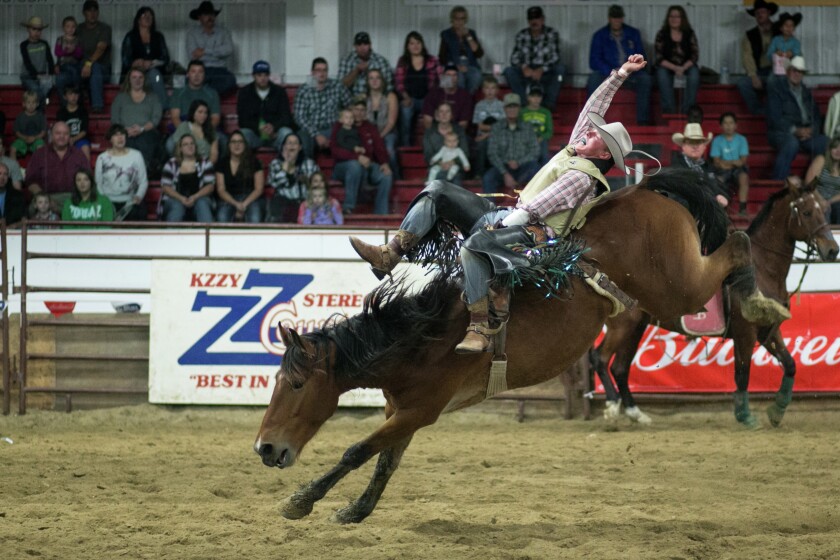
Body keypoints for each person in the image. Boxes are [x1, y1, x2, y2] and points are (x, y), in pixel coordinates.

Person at [351, 55, 651, 353]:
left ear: (602, 155)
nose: (589, 130)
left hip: (532, 234)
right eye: (593, 129)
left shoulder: (585, 177)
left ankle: (480, 325)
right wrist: (621, 72)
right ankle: (391, 254)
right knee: (438, 188)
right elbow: (592, 109)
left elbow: (544, 204)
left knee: (475, 246)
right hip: (511, 217)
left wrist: (507, 222)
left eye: (597, 134)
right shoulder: (577, 150)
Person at [587, 4, 651, 125]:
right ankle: (591, 121)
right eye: (614, 17)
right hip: (608, 74)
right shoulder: (599, 35)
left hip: (630, 73)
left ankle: (643, 120)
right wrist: (612, 71)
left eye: (619, 17)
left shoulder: (633, 33)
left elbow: (641, 56)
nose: (616, 20)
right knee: (593, 78)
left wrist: (630, 68)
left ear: (622, 18)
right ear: (609, 18)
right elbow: (594, 61)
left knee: (645, 79)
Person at [766, 56, 828, 180]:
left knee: (827, 143)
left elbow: (816, 116)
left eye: (800, 72)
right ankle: (778, 184)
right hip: (782, 132)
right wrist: (795, 130)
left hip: (806, 134)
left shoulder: (806, 92)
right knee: (791, 143)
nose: (797, 74)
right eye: (794, 70)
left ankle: (817, 182)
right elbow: (775, 118)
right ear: (788, 71)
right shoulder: (777, 89)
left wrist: (811, 130)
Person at [330, 99, 393, 215]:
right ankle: (348, 207)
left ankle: (381, 214)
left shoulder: (369, 127)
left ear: (366, 112)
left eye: (362, 110)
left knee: (386, 175)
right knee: (355, 166)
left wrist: (384, 163)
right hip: (343, 166)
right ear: (351, 110)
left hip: (368, 164)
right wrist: (356, 157)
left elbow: (379, 147)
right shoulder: (340, 126)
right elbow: (334, 150)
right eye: (356, 109)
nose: (359, 113)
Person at [503, 6, 565, 111]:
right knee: (509, 71)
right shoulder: (521, 35)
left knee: (560, 71)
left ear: (542, 19)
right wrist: (524, 67)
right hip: (526, 72)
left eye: (537, 18)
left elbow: (555, 57)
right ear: (528, 21)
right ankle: (524, 104)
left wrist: (542, 69)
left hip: (545, 72)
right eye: (531, 19)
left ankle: (548, 105)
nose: (534, 21)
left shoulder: (551, 33)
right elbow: (514, 58)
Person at [483, 93, 541, 194]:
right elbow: (492, 153)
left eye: (515, 106)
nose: (512, 109)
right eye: (509, 106)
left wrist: (518, 162)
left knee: (536, 169)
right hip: (503, 167)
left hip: (523, 167)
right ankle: (490, 209)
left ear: (519, 108)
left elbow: (535, 150)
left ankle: (536, 207)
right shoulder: (496, 127)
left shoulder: (528, 127)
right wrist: (505, 173)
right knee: (488, 177)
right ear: (504, 109)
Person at [293, 57, 351, 158]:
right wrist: (316, 134)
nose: (322, 73)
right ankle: (309, 170)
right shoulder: (304, 90)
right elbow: (299, 117)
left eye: (325, 70)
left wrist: (343, 122)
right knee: (303, 137)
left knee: (346, 134)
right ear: (312, 72)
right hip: (311, 130)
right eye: (318, 70)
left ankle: (341, 168)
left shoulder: (337, 86)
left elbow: (350, 105)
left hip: (333, 129)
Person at [24, 121, 91, 209]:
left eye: (65, 134)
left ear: (69, 136)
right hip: (46, 197)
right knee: (33, 208)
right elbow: (30, 181)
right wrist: (45, 199)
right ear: (51, 135)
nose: (62, 136)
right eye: (58, 133)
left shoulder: (79, 155)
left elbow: (89, 178)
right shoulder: (39, 154)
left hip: (74, 198)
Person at [110, 68, 163, 171]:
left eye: (140, 77)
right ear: (129, 80)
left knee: (146, 140)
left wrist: (142, 129)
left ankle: (144, 171)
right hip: (125, 132)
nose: (137, 80)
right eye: (134, 77)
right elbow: (115, 119)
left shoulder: (153, 97)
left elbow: (156, 119)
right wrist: (125, 130)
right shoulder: (120, 98)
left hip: (147, 132)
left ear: (144, 80)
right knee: (126, 140)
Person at [395, 31, 441, 147]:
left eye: (418, 43)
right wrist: (405, 97)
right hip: (410, 99)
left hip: (428, 98)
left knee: (435, 118)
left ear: (422, 44)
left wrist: (434, 98)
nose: (415, 46)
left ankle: (431, 147)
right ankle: (406, 150)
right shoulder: (403, 61)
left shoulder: (432, 60)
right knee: (405, 118)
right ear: (407, 46)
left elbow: (442, 80)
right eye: (412, 43)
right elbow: (399, 83)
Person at [237, 60, 295, 152]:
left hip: (275, 135)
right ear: (253, 76)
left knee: (287, 133)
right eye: (259, 75)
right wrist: (258, 128)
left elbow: (286, 117)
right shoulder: (245, 93)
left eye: (265, 75)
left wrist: (273, 127)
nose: (263, 78)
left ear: (269, 75)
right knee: (242, 135)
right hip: (255, 134)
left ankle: (286, 165)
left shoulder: (279, 92)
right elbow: (243, 120)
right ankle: (244, 165)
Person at [120, 6, 171, 111]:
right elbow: (125, 60)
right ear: (138, 20)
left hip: (154, 74)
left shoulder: (158, 36)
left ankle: (164, 108)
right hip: (135, 72)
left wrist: (152, 62)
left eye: (150, 16)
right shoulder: (130, 36)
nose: (147, 18)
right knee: (137, 76)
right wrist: (135, 63)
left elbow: (165, 59)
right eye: (144, 15)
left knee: (155, 76)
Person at [168, 60, 223, 155]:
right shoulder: (178, 93)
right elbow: (175, 117)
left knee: (223, 142)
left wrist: (203, 131)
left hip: (206, 127)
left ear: (204, 75)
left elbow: (215, 118)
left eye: (200, 72)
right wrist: (187, 134)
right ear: (188, 74)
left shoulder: (212, 93)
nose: (196, 75)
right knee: (170, 145)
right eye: (193, 71)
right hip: (185, 128)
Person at [95, 124, 148, 221]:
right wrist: (105, 202)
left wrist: (138, 196)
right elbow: (98, 183)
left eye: (122, 134)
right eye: (116, 135)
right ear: (110, 139)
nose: (120, 138)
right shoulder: (102, 158)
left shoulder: (137, 155)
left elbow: (143, 181)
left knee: (140, 211)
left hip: (130, 202)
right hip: (108, 201)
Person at [670, 122, 729, 207]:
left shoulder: (708, 167)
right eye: (691, 142)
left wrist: (721, 196)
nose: (695, 146)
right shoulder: (676, 168)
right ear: (683, 146)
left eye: (698, 142)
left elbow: (719, 188)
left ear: (704, 147)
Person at [160, 133, 216, 223]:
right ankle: (171, 235)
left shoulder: (205, 162)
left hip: (198, 199)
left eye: (192, 143)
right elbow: (166, 187)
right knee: (177, 206)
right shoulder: (171, 164)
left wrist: (194, 197)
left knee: (202, 203)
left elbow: (210, 187)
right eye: (185, 144)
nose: (190, 146)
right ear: (180, 149)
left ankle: (208, 235)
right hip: (176, 200)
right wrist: (181, 198)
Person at [654, 5, 700, 115]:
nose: (674, 19)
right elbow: (659, 57)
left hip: (686, 66)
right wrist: (675, 68)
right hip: (667, 66)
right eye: (671, 16)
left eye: (677, 16)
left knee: (694, 74)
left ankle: (688, 110)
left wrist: (683, 68)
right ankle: (669, 111)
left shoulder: (689, 33)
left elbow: (694, 55)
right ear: (667, 18)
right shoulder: (662, 34)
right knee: (661, 73)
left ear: (682, 19)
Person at [266, 133, 320, 223]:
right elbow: (275, 183)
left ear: (300, 147)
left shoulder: (309, 163)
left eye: (295, 143)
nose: (292, 145)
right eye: (289, 143)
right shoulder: (276, 163)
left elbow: (318, 184)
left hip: (305, 202)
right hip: (283, 204)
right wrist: (287, 164)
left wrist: (306, 181)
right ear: (284, 146)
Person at [186, 1, 236, 96]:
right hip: (201, 69)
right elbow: (192, 56)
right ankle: (210, 96)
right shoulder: (192, 34)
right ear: (199, 17)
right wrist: (218, 54)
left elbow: (229, 50)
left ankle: (206, 95)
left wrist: (204, 52)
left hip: (220, 70)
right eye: (206, 14)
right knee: (188, 80)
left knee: (230, 80)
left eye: (212, 14)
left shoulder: (223, 32)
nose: (210, 17)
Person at [737, 0, 778, 115]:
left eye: (763, 12)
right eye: (757, 13)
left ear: (769, 13)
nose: (760, 15)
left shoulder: (779, 30)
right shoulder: (750, 35)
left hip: (777, 71)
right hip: (759, 71)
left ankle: (773, 110)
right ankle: (758, 111)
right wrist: (753, 75)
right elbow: (747, 56)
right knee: (743, 83)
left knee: (773, 80)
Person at [215, 130, 265, 223]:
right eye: (233, 142)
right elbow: (221, 190)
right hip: (229, 199)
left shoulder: (255, 162)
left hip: (250, 198)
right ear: (229, 145)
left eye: (240, 142)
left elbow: (259, 189)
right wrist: (236, 204)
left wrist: (244, 204)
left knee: (255, 218)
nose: (237, 145)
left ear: (245, 145)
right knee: (222, 217)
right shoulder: (222, 163)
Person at [438, 6, 485, 94]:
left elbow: (479, 54)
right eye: (456, 18)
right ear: (452, 19)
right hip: (452, 64)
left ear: (465, 20)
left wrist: (468, 36)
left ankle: (467, 100)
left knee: (476, 76)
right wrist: (455, 66)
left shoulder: (471, 33)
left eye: (462, 19)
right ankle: (457, 101)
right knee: (458, 79)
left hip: (470, 64)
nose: (459, 22)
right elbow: (442, 57)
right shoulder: (446, 34)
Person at [77, 0, 112, 114]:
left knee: (95, 67)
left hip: (101, 70)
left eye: (95, 10)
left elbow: (101, 48)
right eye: (89, 11)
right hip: (82, 69)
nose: (92, 14)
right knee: (63, 76)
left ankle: (97, 106)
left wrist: (89, 64)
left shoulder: (104, 28)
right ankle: (69, 107)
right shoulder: (79, 29)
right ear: (84, 13)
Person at [710, 113, 750, 215]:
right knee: (718, 180)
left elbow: (742, 161)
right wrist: (733, 162)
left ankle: (742, 208)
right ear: (721, 126)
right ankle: (721, 209)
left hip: (738, 169)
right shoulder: (717, 140)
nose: (728, 126)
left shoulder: (742, 139)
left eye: (731, 123)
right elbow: (716, 162)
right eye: (725, 123)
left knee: (744, 177)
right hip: (722, 170)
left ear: (736, 125)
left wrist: (726, 163)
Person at [424, 102, 470, 185]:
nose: (444, 114)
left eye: (447, 111)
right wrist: (440, 163)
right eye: (441, 111)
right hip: (437, 167)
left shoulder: (459, 131)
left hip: (456, 167)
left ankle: (455, 198)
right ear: (437, 115)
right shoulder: (429, 132)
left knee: (454, 174)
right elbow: (428, 154)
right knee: (439, 175)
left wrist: (453, 162)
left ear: (451, 115)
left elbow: (465, 152)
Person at [337, 31, 394, 96]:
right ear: (355, 46)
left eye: (365, 44)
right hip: (352, 100)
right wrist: (356, 71)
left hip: (375, 98)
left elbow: (389, 86)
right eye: (359, 44)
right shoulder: (346, 60)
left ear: (370, 45)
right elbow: (340, 86)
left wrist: (370, 73)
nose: (362, 47)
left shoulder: (381, 61)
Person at [366, 69, 399, 175]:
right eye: (371, 78)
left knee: (389, 150)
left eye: (377, 78)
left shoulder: (390, 97)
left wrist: (379, 137)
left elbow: (391, 122)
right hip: (368, 133)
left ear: (382, 80)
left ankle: (396, 176)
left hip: (387, 132)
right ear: (367, 81)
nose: (374, 80)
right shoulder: (364, 98)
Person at [421, 64, 473, 130]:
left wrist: (450, 135)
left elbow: (463, 124)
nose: (451, 78)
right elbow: (427, 120)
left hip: (455, 132)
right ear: (443, 77)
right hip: (436, 131)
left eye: (454, 75)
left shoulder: (465, 95)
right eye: (448, 75)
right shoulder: (433, 93)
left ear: (458, 78)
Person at [472, 76, 505, 176]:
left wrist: (487, 134)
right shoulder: (479, 105)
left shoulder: (501, 105)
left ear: (497, 90)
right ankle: (479, 174)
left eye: (493, 88)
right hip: (482, 137)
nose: (490, 91)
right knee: (481, 145)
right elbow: (480, 126)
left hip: (498, 137)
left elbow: (502, 126)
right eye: (487, 88)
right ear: (483, 90)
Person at [19, 16, 55, 107]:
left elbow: (50, 59)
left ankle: (39, 107)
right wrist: (36, 75)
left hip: (42, 75)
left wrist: (51, 74)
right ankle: (43, 105)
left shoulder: (44, 43)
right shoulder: (24, 45)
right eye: (34, 29)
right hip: (28, 76)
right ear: (28, 29)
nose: (36, 32)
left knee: (48, 84)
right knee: (36, 89)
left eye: (39, 30)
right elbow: (27, 63)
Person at [170, 99, 219, 164]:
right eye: (200, 112)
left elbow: (214, 155)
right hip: (186, 164)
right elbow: (178, 151)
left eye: (205, 113)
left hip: (206, 165)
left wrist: (206, 167)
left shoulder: (211, 130)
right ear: (193, 113)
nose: (203, 115)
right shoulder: (184, 127)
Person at [804, 137, 840, 224]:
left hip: (833, 201)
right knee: (822, 209)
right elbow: (809, 183)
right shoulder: (821, 160)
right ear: (830, 149)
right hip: (815, 197)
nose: (838, 151)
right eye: (835, 147)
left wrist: (828, 202)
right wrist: (820, 200)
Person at [520, 86, 553, 165]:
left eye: (538, 96)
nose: (536, 99)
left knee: (544, 149)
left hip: (541, 140)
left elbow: (549, 131)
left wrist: (541, 137)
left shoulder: (546, 112)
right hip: (526, 140)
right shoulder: (522, 112)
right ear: (528, 97)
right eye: (533, 96)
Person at [57, 86, 91, 162]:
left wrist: (74, 139)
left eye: (76, 94)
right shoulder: (61, 112)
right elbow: (59, 129)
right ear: (65, 97)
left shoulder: (83, 111)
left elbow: (84, 131)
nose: (73, 97)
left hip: (80, 139)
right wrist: (67, 139)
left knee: (85, 148)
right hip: (65, 139)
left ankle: (87, 172)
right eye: (70, 94)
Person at [55, 16, 84, 103]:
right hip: (64, 64)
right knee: (70, 69)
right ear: (63, 28)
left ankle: (76, 91)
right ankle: (76, 89)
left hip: (75, 64)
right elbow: (57, 52)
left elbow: (79, 54)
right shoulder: (60, 39)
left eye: (73, 27)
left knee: (75, 70)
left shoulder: (77, 40)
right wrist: (67, 51)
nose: (70, 29)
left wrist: (74, 50)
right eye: (68, 26)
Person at [10, 90, 46, 159]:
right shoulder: (20, 116)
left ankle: (40, 167)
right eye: (28, 102)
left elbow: (43, 132)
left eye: (33, 102)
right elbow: (17, 132)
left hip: (36, 139)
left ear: (37, 104)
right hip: (23, 139)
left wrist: (34, 138)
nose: (31, 105)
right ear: (24, 104)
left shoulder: (41, 116)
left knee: (40, 147)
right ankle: (13, 168)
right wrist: (25, 138)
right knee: (13, 148)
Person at [766, 12, 802, 79]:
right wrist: (775, 54)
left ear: (794, 29)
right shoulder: (775, 40)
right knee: (771, 80)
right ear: (781, 28)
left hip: (791, 69)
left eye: (791, 26)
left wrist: (792, 53)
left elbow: (798, 54)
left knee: (793, 79)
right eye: (786, 25)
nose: (788, 28)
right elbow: (769, 54)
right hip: (777, 68)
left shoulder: (796, 42)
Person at [0, 162, 27, 226]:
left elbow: (25, 218)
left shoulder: (18, 196)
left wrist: (14, 226)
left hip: (13, 233)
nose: (2, 178)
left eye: (5, 174)